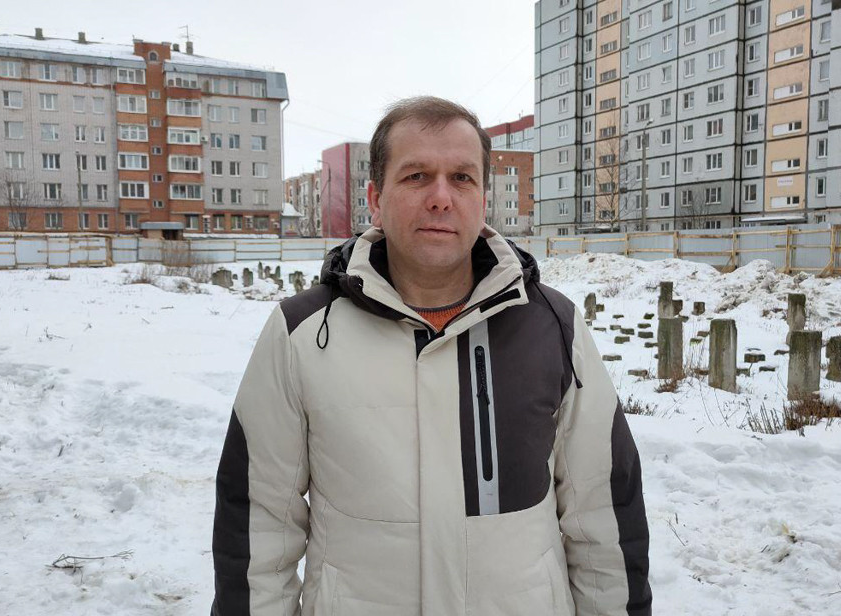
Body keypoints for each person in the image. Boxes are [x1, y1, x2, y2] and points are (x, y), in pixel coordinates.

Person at [211, 96, 652, 616]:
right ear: (376, 198)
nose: (441, 198)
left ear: (483, 198)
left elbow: (603, 513)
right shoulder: (302, 333)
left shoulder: (553, 327)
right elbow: (259, 522)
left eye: (461, 178)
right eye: (417, 176)